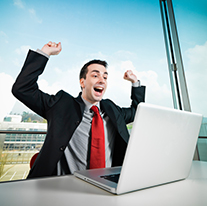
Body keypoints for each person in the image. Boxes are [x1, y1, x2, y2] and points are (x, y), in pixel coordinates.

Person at [12, 41, 146, 179]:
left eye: (105, 77)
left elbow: (138, 111)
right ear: (82, 82)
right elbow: (23, 89)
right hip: (64, 188)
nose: (102, 80)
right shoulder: (61, 105)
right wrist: (45, 53)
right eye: (95, 75)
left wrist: (135, 82)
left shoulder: (111, 109)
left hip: (107, 186)